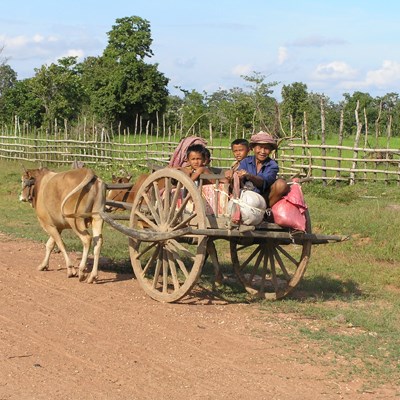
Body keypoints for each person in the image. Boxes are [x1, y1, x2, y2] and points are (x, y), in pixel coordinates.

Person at [236, 131, 289, 207]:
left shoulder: (272, 165)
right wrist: (238, 176)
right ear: (253, 148)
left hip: (264, 197)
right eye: (260, 147)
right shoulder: (246, 161)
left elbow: (263, 183)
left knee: (281, 184)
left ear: (270, 150)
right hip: (246, 196)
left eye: (266, 148)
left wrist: (249, 176)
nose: (263, 152)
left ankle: (265, 209)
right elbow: (238, 177)